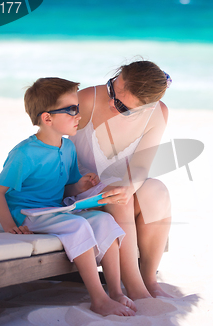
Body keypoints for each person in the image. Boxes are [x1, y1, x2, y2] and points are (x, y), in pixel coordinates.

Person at [0, 77, 137, 317]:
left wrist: (79, 186)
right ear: (47, 118)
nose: (78, 115)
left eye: (77, 108)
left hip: (55, 210)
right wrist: (10, 226)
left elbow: (65, 188)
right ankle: (98, 298)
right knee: (77, 225)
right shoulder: (24, 153)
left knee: (105, 221)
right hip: (28, 215)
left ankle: (116, 292)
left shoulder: (68, 148)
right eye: (71, 110)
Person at [69, 60, 172, 299]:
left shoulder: (158, 113)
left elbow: (140, 167)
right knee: (118, 194)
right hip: (78, 194)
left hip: (117, 198)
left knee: (156, 191)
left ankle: (149, 280)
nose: (110, 103)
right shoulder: (86, 100)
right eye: (111, 88)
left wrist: (129, 188)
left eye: (123, 107)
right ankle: (134, 287)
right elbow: (51, 148)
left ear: (147, 108)